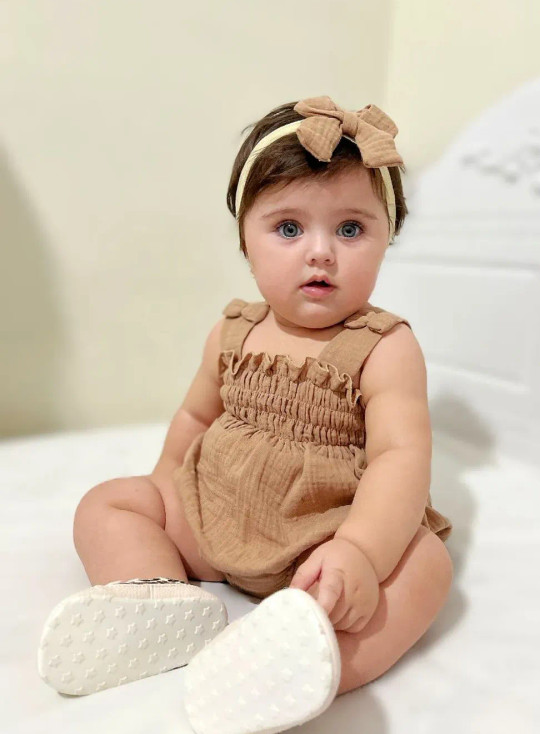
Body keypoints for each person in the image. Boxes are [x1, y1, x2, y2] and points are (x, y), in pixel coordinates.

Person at [38, 96, 454, 733]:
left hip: (320, 545)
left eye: (350, 230)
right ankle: (156, 602)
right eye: (289, 229)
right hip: (213, 514)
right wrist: (164, 485)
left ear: (385, 240)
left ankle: (309, 665)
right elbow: (193, 417)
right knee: (108, 503)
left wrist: (361, 553)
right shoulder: (233, 331)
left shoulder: (384, 348)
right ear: (245, 241)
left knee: (426, 566)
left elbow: (401, 459)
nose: (321, 253)